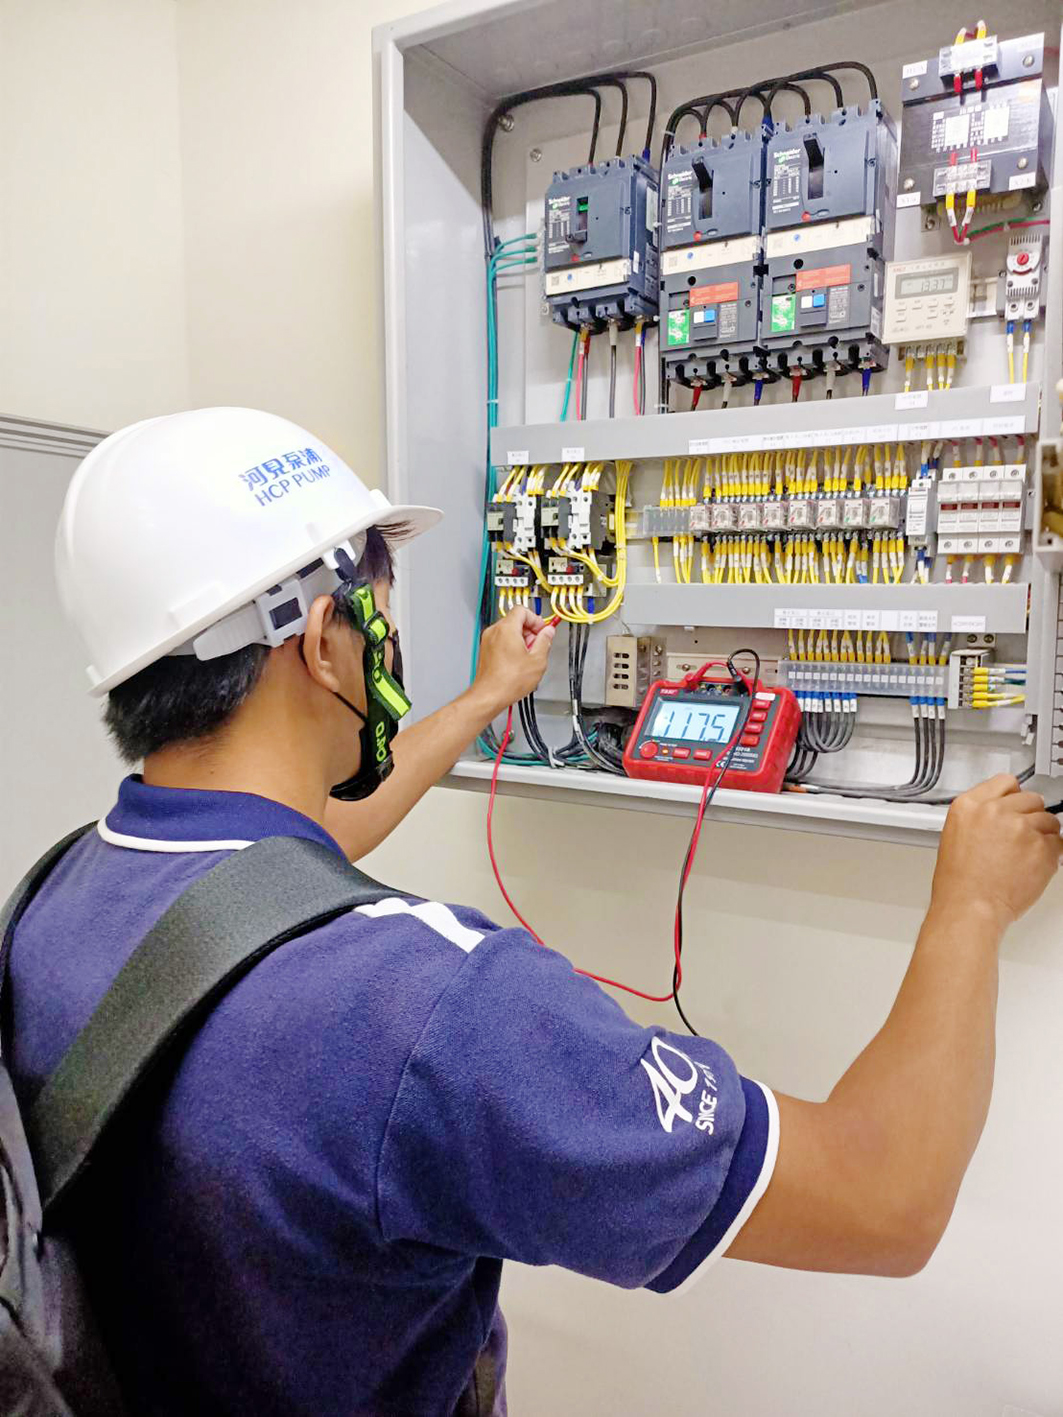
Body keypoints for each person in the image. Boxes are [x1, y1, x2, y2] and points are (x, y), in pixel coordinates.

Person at [9, 406, 1060, 1417]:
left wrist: (481, 699)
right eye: (376, 593)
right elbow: (885, 1199)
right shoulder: (433, 1005)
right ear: (327, 639)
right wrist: (969, 905)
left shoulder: (61, 900)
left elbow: (295, 856)